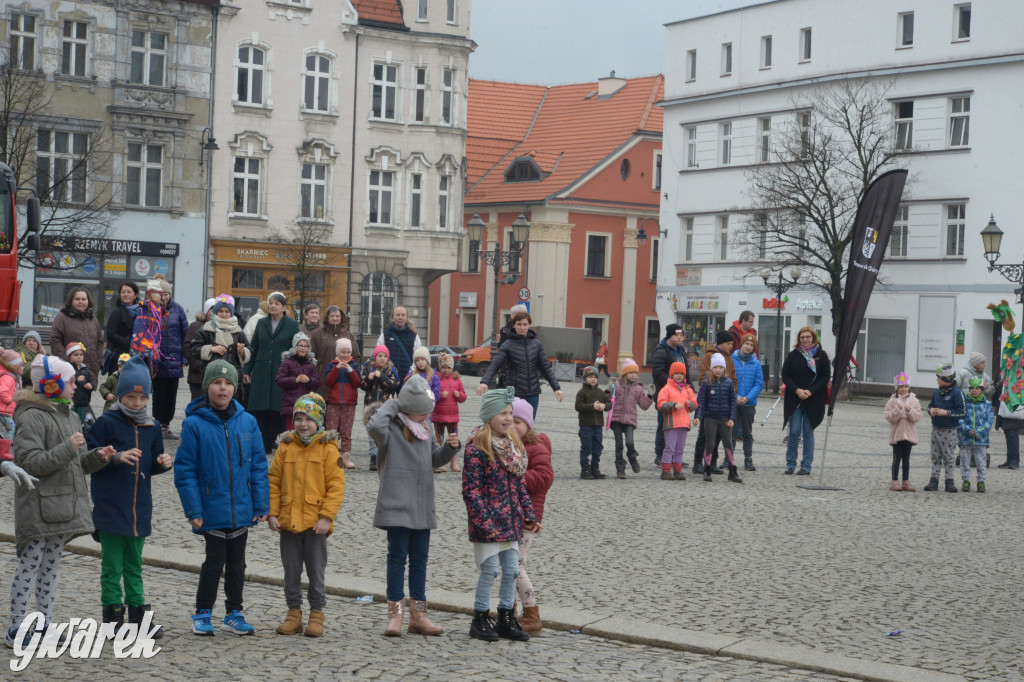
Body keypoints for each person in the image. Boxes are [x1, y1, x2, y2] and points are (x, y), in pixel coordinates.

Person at [6, 355, 115, 647]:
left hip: (62, 505)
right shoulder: (31, 415)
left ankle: (43, 623)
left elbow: (76, 462)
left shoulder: (70, 415)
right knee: (29, 565)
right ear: (50, 385)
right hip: (39, 504)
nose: (74, 384)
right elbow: (29, 462)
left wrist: (97, 457)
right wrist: (69, 448)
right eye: (68, 381)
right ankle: (16, 626)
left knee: (51, 566)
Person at [174, 359, 270, 636]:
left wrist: (261, 503)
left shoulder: (248, 421)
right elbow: (185, 470)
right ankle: (203, 612)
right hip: (210, 506)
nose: (223, 388)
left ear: (234, 388)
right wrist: (193, 510)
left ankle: (234, 611)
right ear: (207, 387)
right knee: (214, 562)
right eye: (217, 383)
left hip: (241, 506)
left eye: (228, 383)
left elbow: (258, 467)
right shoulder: (193, 424)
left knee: (238, 563)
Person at [86, 355, 172, 636]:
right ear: (121, 395)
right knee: (112, 566)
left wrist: (161, 464)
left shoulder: (152, 426)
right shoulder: (106, 423)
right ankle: (113, 616)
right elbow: (88, 460)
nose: (136, 403)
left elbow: (150, 462)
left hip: (139, 508)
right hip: (110, 508)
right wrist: (114, 457)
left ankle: (137, 614)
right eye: (131, 397)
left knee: (134, 565)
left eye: (142, 398)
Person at [368, 375, 459, 638]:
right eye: (421, 413)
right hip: (397, 505)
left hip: (422, 506)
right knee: (396, 559)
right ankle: (395, 614)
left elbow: (433, 460)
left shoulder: (426, 429)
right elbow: (373, 424)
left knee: (420, 560)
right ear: (408, 409)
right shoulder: (390, 430)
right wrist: (395, 404)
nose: (425, 418)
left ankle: (419, 615)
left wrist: (450, 449)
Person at [463, 387, 538, 643]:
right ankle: (480, 617)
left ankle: (506, 616)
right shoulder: (477, 448)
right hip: (489, 524)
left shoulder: (511, 448)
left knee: (511, 571)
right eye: (502, 414)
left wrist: (528, 511)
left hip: (511, 521)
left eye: (510, 413)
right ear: (489, 416)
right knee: (490, 571)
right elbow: (471, 490)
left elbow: (518, 485)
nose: (508, 419)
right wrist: (483, 521)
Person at [268, 393, 345, 638]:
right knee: (290, 571)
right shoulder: (285, 446)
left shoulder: (328, 449)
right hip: (288, 522)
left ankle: (316, 613)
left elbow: (336, 486)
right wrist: (272, 513)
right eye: (299, 418)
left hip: (315, 525)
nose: (303, 424)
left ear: (319, 421)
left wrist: (326, 517)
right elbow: (273, 481)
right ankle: (293, 614)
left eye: (309, 419)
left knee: (315, 571)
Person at [510, 397, 552, 634]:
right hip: (507, 515)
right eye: (510, 420)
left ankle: (531, 612)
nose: (513, 426)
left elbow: (545, 478)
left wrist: (517, 477)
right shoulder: (506, 445)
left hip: (528, 518)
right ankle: (510, 609)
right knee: (508, 565)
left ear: (528, 425)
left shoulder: (535, 447)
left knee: (516, 565)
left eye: (518, 421)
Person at [243, 291, 301, 455]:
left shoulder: (291, 324)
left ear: (283, 307)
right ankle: (263, 441)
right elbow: (254, 347)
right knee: (260, 407)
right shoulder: (261, 323)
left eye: (277, 303)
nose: (273, 306)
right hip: (261, 371)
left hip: (281, 371)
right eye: (271, 303)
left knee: (278, 406)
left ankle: (277, 439)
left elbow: (295, 349)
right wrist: (248, 369)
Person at [477, 311, 564, 417]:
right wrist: (484, 382)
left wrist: (556, 388)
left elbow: (545, 368)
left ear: (529, 325)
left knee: (528, 426)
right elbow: (495, 364)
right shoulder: (507, 344)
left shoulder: (536, 344)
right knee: (511, 424)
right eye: (519, 324)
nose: (522, 327)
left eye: (525, 324)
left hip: (532, 392)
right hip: (513, 391)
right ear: (514, 325)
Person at [781, 327, 832, 476]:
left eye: (808, 337)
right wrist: (797, 390)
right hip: (795, 398)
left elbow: (825, 377)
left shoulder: (821, 355)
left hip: (813, 399)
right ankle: (790, 463)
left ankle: (806, 466)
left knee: (808, 433)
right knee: (794, 431)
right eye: (802, 337)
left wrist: (810, 391)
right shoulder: (793, 355)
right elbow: (785, 375)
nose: (805, 339)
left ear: (813, 338)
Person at [692, 330, 736, 475]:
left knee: (718, 437)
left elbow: (733, 379)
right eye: (728, 344)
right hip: (710, 405)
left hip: (723, 404)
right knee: (705, 436)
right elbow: (703, 377)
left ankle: (713, 462)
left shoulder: (729, 358)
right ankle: (698, 462)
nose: (731, 346)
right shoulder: (708, 356)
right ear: (721, 343)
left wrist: (732, 392)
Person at [696, 354, 742, 483]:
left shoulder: (728, 383)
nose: (718, 369)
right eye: (715, 367)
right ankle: (707, 469)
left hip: (724, 418)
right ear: (711, 368)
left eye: (720, 367)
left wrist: (732, 418)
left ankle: (732, 470)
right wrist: (698, 416)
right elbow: (701, 400)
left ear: (724, 368)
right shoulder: (706, 382)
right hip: (710, 418)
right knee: (710, 443)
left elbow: (733, 402)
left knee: (728, 444)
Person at [153, 277, 188, 439]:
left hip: (174, 359)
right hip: (157, 360)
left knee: (171, 395)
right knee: (158, 394)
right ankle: (157, 424)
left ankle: (166, 425)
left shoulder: (178, 310)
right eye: (161, 294)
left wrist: (184, 357)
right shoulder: (151, 309)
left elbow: (185, 334)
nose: (164, 297)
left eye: (166, 294)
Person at [608, 357, 654, 478]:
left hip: (630, 419)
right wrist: (608, 389)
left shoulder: (639, 388)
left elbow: (643, 405)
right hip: (616, 419)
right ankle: (620, 468)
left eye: (635, 373)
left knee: (629, 442)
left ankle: (632, 458)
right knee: (619, 445)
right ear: (624, 373)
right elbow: (608, 400)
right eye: (631, 372)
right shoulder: (617, 385)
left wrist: (650, 396)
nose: (633, 375)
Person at [924, 363, 966, 493]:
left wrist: (946, 412)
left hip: (949, 431)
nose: (937, 379)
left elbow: (963, 412)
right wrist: (931, 410)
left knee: (948, 456)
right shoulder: (936, 393)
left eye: (939, 377)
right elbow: (929, 406)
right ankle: (934, 480)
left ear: (947, 379)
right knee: (935, 455)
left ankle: (949, 481)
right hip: (936, 429)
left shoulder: (957, 393)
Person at [49, 286, 103, 384]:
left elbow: (99, 342)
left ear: (88, 301)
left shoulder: (93, 320)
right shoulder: (62, 317)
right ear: (71, 301)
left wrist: (99, 360)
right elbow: (55, 340)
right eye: (77, 299)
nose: (81, 301)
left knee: (85, 397)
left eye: (84, 299)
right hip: (70, 368)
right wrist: (66, 360)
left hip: (90, 369)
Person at [360, 345, 401, 471]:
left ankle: (385, 456)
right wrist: (370, 378)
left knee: (385, 430)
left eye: (384, 356)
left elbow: (393, 386)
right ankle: (374, 456)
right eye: (379, 356)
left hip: (385, 406)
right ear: (375, 357)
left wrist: (381, 376)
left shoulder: (391, 370)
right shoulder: (368, 368)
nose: (382, 359)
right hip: (370, 405)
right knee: (372, 430)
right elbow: (363, 386)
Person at [650, 323, 685, 468]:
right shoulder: (661, 351)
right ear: (669, 336)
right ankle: (660, 455)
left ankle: (675, 456)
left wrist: (687, 387)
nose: (679, 338)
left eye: (681, 336)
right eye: (676, 335)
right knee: (664, 425)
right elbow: (658, 373)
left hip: (680, 394)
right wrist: (673, 383)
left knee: (678, 426)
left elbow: (685, 371)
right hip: (665, 394)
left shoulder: (681, 351)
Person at [656, 361, 697, 481]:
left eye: (681, 373)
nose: (679, 376)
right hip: (671, 423)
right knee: (669, 448)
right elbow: (660, 404)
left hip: (684, 424)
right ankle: (666, 471)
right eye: (676, 373)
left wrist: (691, 405)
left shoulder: (687, 389)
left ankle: (678, 470)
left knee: (680, 448)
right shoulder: (666, 389)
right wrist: (673, 405)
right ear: (671, 375)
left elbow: (694, 404)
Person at [324, 338, 360, 470]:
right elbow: (328, 381)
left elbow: (357, 383)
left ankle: (346, 457)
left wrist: (350, 370)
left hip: (349, 403)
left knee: (346, 431)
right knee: (331, 430)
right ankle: (330, 456)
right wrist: (336, 369)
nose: (345, 355)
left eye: (347, 352)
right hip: (334, 402)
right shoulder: (332, 365)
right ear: (338, 352)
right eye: (342, 352)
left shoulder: (354, 365)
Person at [884, 372, 922, 492]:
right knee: (897, 458)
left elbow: (917, 417)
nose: (903, 389)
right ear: (897, 388)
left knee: (906, 459)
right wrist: (898, 409)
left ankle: (906, 480)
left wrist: (909, 410)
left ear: (909, 387)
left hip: (909, 434)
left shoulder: (914, 401)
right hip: (897, 435)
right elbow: (889, 417)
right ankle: (894, 480)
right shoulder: (892, 400)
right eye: (900, 387)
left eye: (905, 386)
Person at [275, 333, 321, 431]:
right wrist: (294, 380)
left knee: (304, 430)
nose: (303, 348)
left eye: (306, 346)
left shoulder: (311, 364)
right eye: (300, 345)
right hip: (291, 404)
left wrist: (309, 380)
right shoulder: (287, 362)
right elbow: (279, 380)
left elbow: (318, 382)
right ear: (295, 347)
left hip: (307, 405)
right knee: (292, 431)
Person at [310, 306, 360, 397]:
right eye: (332, 316)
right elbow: (311, 356)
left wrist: (353, 371)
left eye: (337, 316)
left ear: (342, 318)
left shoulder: (348, 335)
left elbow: (356, 357)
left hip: (344, 380)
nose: (335, 318)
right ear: (327, 318)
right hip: (322, 377)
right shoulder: (317, 334)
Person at [732, 333, 764, 471]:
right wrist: (736, 396)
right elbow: (729, 380)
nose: (749, 347)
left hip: (749, 403)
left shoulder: (756, 363)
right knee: (731, 432)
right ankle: (728, 458)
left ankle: (748, 458)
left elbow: (758, 383)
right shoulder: (732, 360)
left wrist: (748, 398)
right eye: (747, 344)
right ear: (741, 344)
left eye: (752, 345)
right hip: (734, 402)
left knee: (747, 432)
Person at [959, 376, 993, 493]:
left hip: (981, 440)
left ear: (982, 389)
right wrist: (968, 430)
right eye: (971, 388)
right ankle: (966, 480)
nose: (974, 390)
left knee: (980, 461)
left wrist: (978, 431)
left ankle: (981, 482)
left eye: (977, 388)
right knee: (964, 461)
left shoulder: (987, 404)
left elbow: (989, 421)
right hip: (966, 439)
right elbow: (960, 419)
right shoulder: (964, 403)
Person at [432, 353, 466, 472]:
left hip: (453, 417)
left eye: (448, 367)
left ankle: (454, 463)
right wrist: (440, 395)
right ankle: (439, 461)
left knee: (454, 439)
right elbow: (432, 394)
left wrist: (459, 395)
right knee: (439, 439)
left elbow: (463, 397)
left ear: (452, 368)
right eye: (443, 367)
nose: (446, 370)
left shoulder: (457, 380)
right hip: (439, 416)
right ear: (440, 367)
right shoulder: (436, 378)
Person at [575, 366, 610, 480]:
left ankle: (595, 468)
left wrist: (604, 406)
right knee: (586, 448)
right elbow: (578, 406)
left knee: (598, 448)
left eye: (595, 377)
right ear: (585, 378)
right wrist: (592, 406)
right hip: (586, 425)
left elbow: (609, 404)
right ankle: (585, 469)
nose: (593, 379)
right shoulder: (582, 392)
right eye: (590, 377)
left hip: (598, 425)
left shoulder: (601, 392)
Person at [377, 306, 423, 381]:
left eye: (403, 315)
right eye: (397, 315)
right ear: (393, 317)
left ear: (407, 317)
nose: (400, 317)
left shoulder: (414, 336)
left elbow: (418, 356)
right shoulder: (385, 335)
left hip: (407, 377)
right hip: (388, 377)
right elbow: (377, 354)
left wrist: (411, 372)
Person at [183, 298, 216, 400]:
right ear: (206, 312)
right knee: (199, 406)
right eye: (212, 310)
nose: (215, 313)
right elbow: (187, 348)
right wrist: (199, 365)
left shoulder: (220, 328)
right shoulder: (196, 326)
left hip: (215, 377)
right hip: (198, 377)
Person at [491, 304, 528, 389]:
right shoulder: (506, 331)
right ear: (512, 316)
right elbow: (501, 351)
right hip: (509, 371)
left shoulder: (530, 333)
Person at [104, 280, 140, 368]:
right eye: (123, 292)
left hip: (138, 354)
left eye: (129, 292)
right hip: (121, 355)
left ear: (135, 295)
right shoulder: (116, 313)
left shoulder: (141, 313)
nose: (125, 294)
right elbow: (111, 335)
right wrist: (130, 344)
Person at [130, 280, 164, 372]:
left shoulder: (160, 311)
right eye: (155, 294)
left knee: (149, 374)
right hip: (139, 349)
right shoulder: (141, 308)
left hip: (152, 350)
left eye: (159, 294)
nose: (157, 297)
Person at [0, 349, 23, 461]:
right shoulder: (9, 377)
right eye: (21, 366)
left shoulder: (12, 377)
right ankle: (5, 451)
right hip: (3, 409)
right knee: (11, 428)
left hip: (5, 409)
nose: (23, 368)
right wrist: (9, 401)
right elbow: (2, 390)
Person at [66, 342, 95, 426]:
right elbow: (66, 381)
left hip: (83, 401)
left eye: (81, 355)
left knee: (81, 421)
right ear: (69, 356)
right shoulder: (69, 367)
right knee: (71, 420)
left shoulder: (85, 369)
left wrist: (90, 385)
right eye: (76, 355)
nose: (79, 357)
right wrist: (76, 380)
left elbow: (92, 381)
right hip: (73, 400)